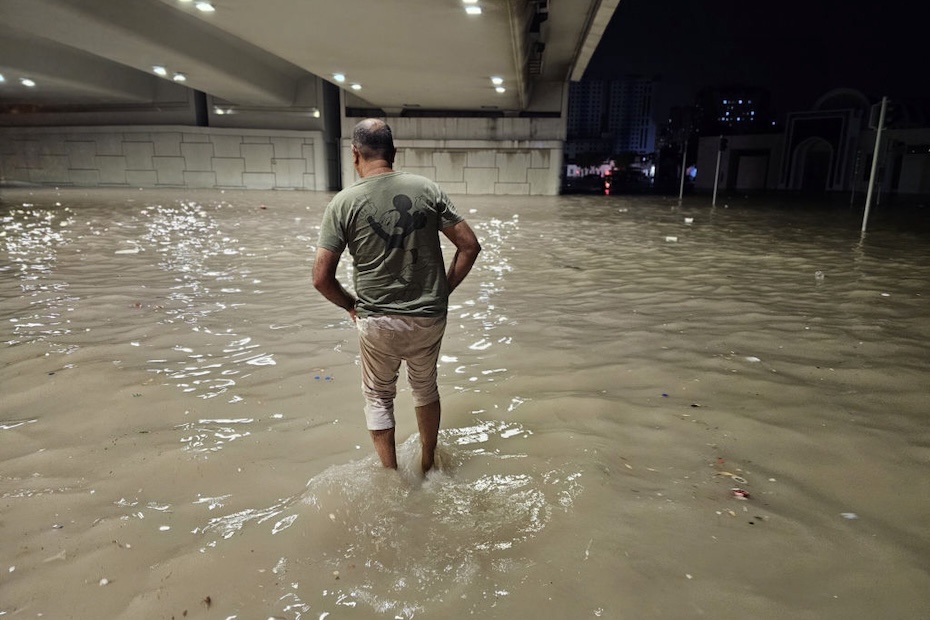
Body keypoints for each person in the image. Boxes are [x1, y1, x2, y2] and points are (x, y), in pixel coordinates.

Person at [312, 118, 481, 475]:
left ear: (354, 154)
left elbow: (320, 278)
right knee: (425, 388)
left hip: (376, 320)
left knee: (378, 396)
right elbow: (469, 246)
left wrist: (350, 305)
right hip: (428, 317)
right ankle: (426, 464)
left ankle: (391, 477)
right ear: (394, 153)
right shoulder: (426, 190)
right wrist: (441, 290)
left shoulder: (344, 203)